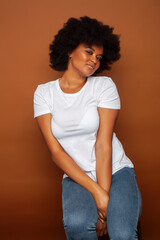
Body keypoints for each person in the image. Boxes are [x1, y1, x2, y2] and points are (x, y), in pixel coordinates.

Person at [33, 16, 142, 240]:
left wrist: (103, 213)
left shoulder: (103, 86)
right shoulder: (44, 93)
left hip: (115, 170)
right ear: (70, 50)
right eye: (89, 52)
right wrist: (98, 194)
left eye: (99, 57)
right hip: (77, 175)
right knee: (77, 225)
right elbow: (55, 151)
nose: (94, 60)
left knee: (122, 234)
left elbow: (103, 145)